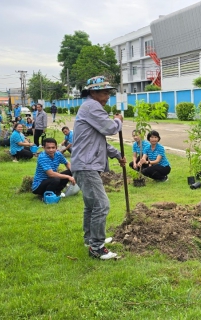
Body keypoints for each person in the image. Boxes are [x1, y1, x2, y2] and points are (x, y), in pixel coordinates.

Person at [72, 75, 126, 260]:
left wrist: (117, 155)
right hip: (86, 166)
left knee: (91, 206)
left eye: (109, 91)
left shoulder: (89, 107)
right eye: (105, 91)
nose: (108, 95)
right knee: (102, 205)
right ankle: (96, 247)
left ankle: (90, 239)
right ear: (93, 93)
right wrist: (119, 120)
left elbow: (98, 140)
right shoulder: (92, 106)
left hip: (84, 164)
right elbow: (111, 128)